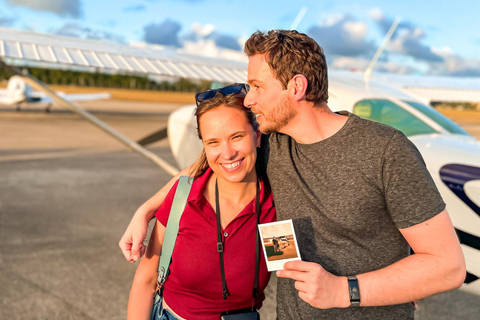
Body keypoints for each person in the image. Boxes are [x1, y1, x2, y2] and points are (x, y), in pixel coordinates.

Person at [121, 30, 466, 319]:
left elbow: (448, 266)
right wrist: (147, 210)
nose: (249, 101)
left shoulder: (386, 150)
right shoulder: (272, 145)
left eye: (256, 86)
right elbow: (208, 163)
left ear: (296, 87)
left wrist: (344, 290)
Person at [127, 86, 276, 320]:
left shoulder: (273, 209)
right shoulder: (183, 198)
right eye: (213, 142)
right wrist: (145, 210)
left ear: (257, 136)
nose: (227, 154)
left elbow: (290, 275)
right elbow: (146, 281)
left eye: (236, 137)